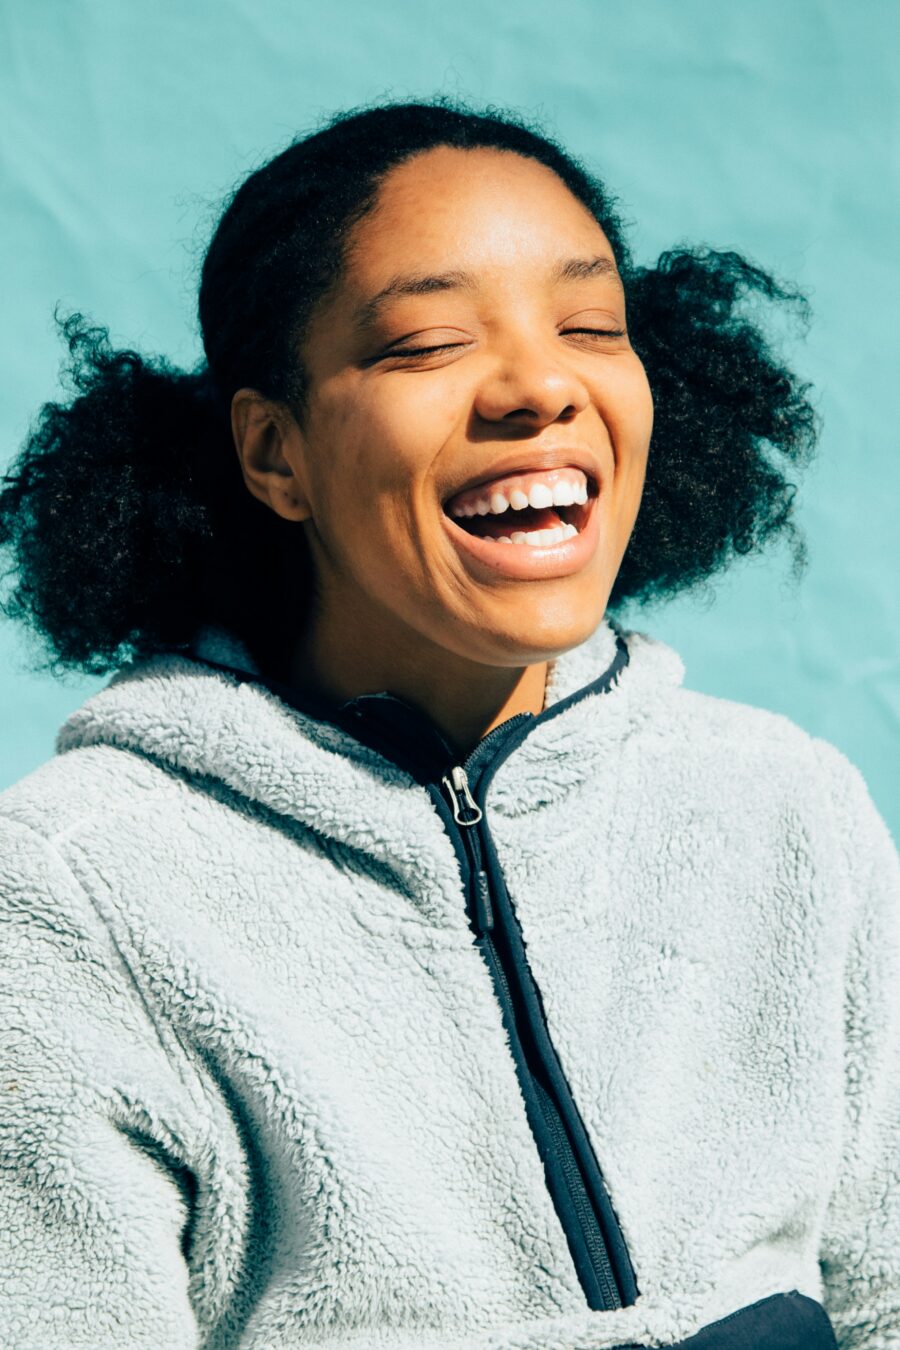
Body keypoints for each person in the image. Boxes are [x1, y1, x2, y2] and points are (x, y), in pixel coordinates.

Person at [0, 99, 896, 1350]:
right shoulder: (75, 888)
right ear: (274, 454)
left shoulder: (789, 809)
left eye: (591, 326)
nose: (542, 386)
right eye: (425, 342)